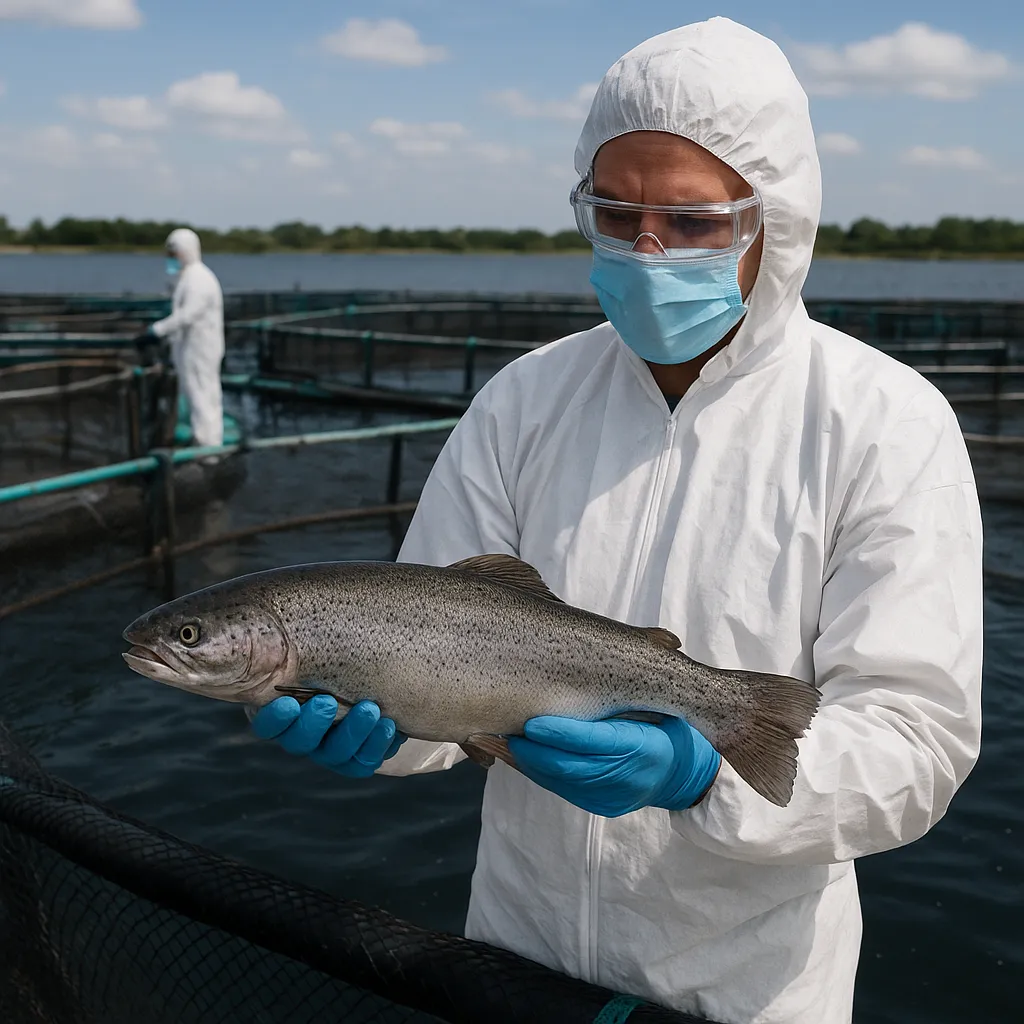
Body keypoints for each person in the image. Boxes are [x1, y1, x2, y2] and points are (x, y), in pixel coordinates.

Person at [250, 18, 983, 1024]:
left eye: (689, 224)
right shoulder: (523, 398)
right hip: (514, 959)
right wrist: (368, 722)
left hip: (747, 988)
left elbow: (916, 744)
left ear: (772, 219)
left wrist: (699, 774)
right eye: (614, 212)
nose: (646, 251)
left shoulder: (882, 422)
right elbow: (424, 647)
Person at [149, 228, 225, 448]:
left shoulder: (199, 279)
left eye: (175, 253)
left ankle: (208, 449)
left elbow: (187, 314)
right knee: (197, 395)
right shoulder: (189, 277)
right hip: (191, 348)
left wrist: (157, 330)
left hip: (200, 349)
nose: (171, 259)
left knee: (203, 396)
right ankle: (204, 441)